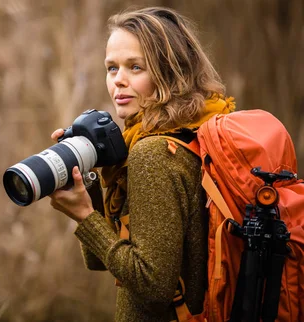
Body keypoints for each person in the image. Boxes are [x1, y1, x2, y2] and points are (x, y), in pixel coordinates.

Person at [49, 7, 235, 322]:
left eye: (136, 67)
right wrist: (87, 181)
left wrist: (83, 215)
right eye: (111, 68)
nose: (119, 80)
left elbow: (152, 285)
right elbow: (101, 258)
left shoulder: (154, 153)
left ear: (170, 72)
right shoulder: (191, 132)